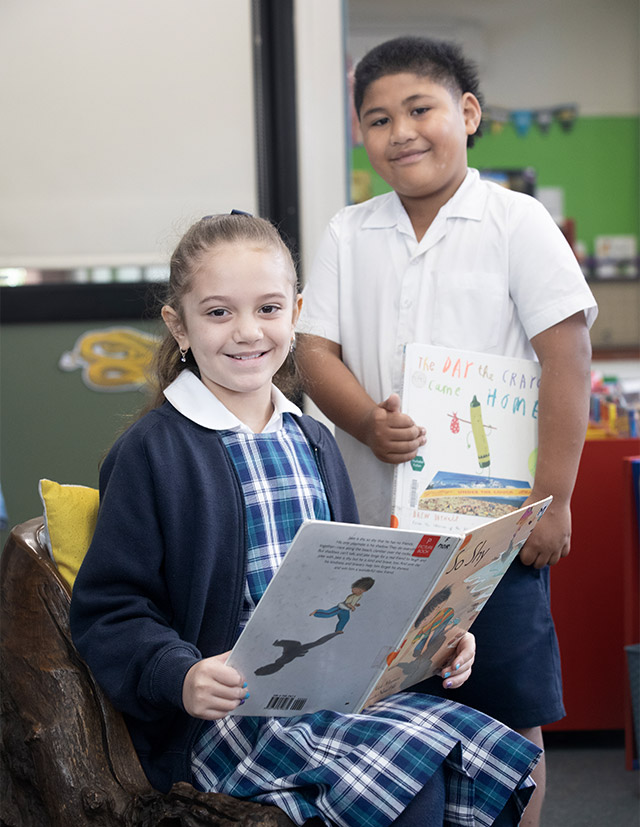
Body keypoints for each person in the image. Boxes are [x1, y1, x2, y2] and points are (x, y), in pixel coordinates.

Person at [70, 213, 542, 827]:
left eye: (268, 309)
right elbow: (110, 609)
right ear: (178, 325)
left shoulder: (314, 441)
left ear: (295, 314)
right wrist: (180, 675)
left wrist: (432, 638)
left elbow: (359, 594)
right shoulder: (151, 451)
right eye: (218, 312)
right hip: (226, 720)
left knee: (467, 768)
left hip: (328, 699)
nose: (247, 331)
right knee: (412, 786)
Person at [296, 36, 597, 827]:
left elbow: (567, 357)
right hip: (377, 538)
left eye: (419, 109)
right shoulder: (347, 232)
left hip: (492, 538)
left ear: (466, 113)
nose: (400, 132)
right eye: (378, 119)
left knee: (508, 719)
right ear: (361, 134)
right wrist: (367, 421)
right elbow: (313, 350)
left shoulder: (516, 222)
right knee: (388, 715)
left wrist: (555, 498)